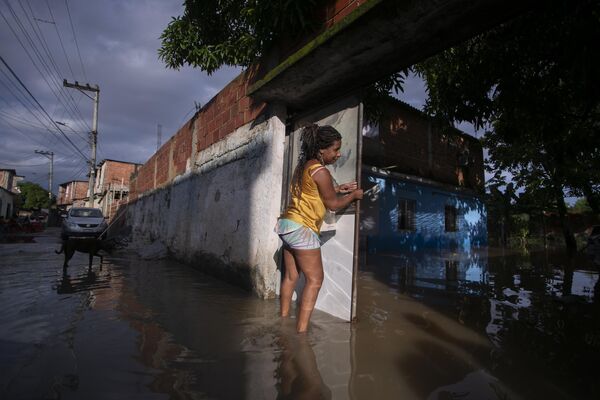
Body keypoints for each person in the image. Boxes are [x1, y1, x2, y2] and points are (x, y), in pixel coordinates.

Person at [275, 124, 363, 333]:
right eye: (335, 149)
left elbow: (314, 192)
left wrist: (339, 188)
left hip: (287, 225)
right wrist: (353, 196)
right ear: (322, 149)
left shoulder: (306, 166)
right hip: (301, 228)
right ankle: (301, 333)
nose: (338, 154)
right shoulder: (321, 171)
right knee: (315, 280)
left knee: (291, 277)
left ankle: (283, 320)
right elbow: (332, 204)